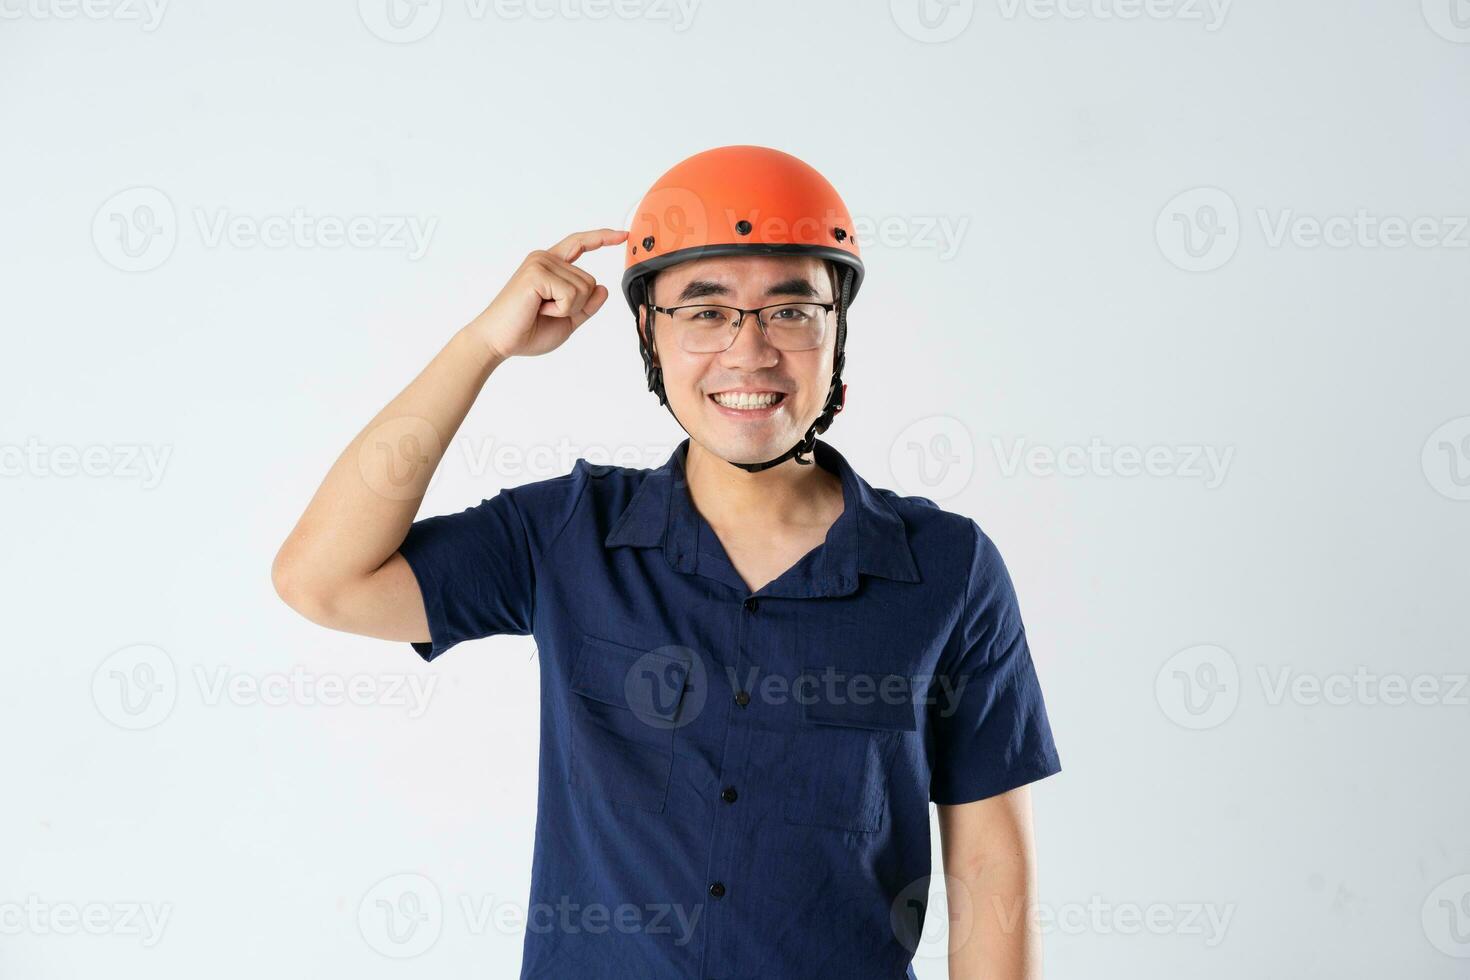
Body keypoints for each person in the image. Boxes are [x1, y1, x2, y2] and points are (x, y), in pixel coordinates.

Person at [272, 144, 1061, 979]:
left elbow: (989, 871)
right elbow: (322, 580)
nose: (750, 353)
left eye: (791, 311)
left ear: (837, 333)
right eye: (705, 311)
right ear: (651, 333)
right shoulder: (567, 534)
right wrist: (482, 345)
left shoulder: (948, 570)